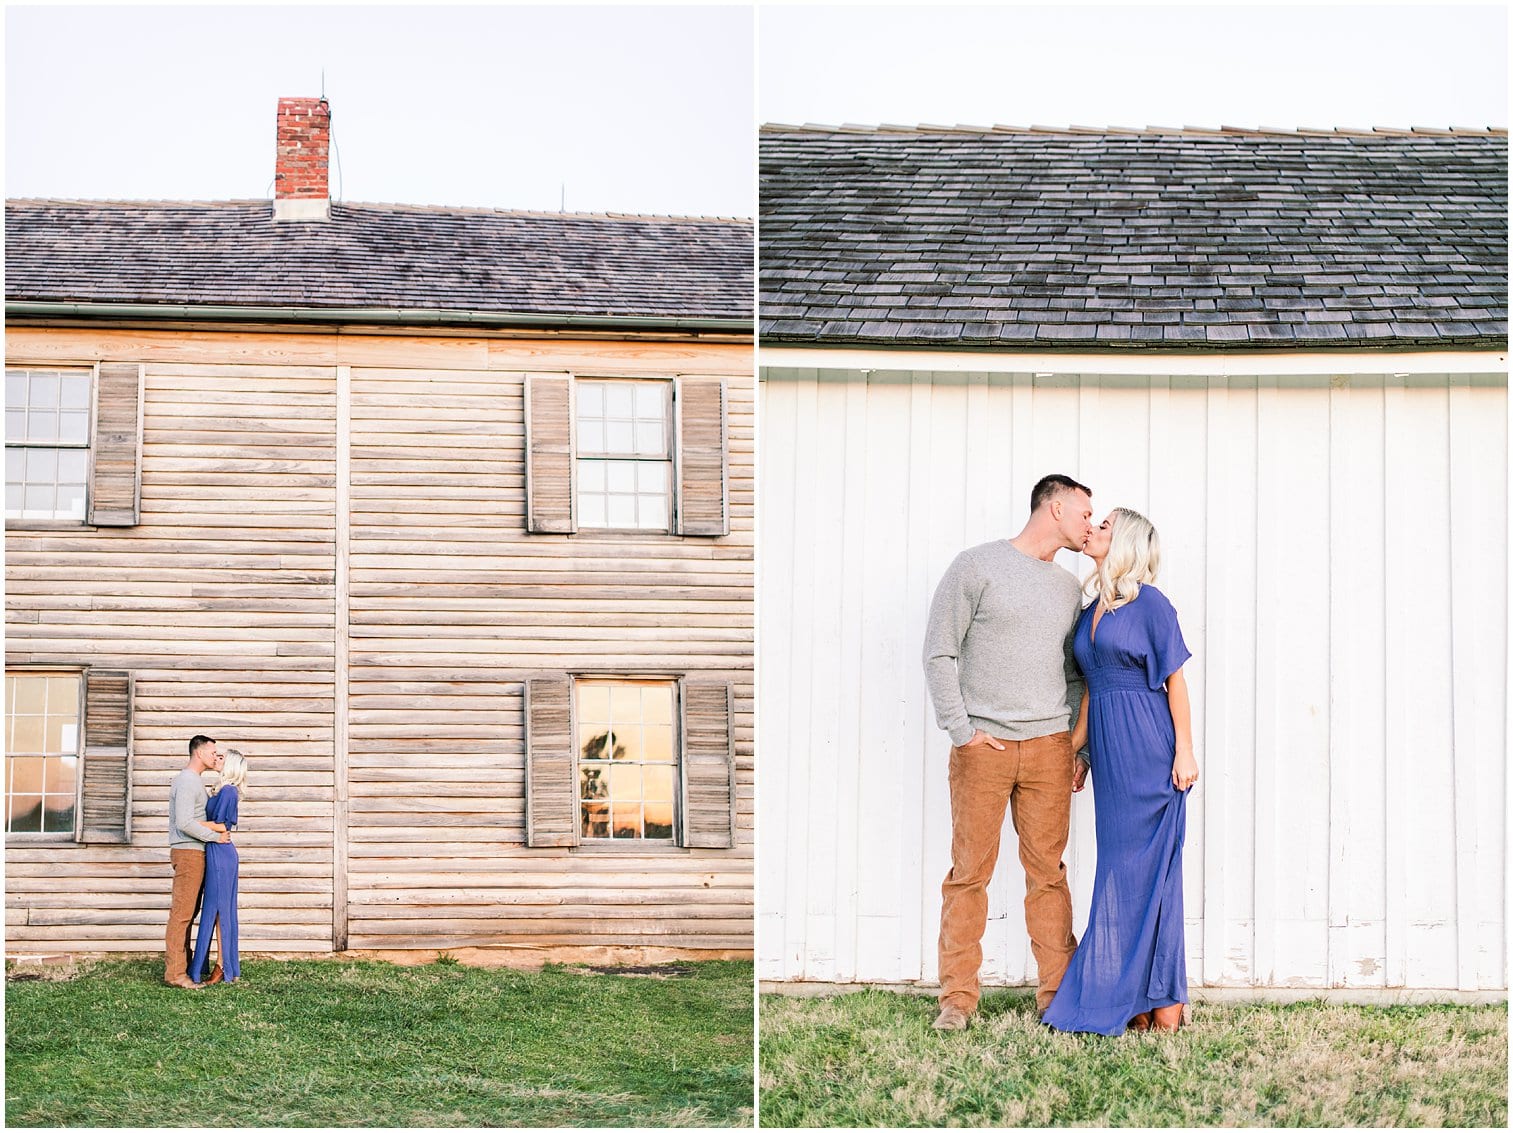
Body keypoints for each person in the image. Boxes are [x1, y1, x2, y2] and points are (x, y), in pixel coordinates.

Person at [923, 474, 1094, 1030]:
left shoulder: (1069, 588)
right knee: (969, 873)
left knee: (1048, 875)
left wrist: (1075, 748)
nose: (1089, 525)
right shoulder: (976, 567)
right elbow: (939, 653)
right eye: (1085, 513)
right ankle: (957, 1000)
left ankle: (1056, 998)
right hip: (984, 748)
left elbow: (1075, 674)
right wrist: (962, 731)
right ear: (1057, 505)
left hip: (1048, 749)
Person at [1042, 507, 1197, 1035]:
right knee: (1119, 874)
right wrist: (1076, 753)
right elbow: (1092, 691)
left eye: (1105, 525)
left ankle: (1166, 1005)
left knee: (1155, 877)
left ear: (1126, 540)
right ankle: (1132, 1000)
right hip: (1111, 757)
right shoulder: (1091, 611)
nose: (1094, 530)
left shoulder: (1151, 604)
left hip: (1150, 752)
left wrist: (1185, 752)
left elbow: (1175, 683)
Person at [165, 734, 230, 989]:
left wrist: (223, 771)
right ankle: (175, 974)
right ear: (199, 753)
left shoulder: (195, 782)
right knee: (181, 915)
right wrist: (215, 836)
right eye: (213, 753)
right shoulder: (186, 781)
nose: (216, 757)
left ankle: (187, 967)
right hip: (188, 852)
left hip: (196, 852)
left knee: (189, 913)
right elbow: (184, 822)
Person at [190, 749, 247, 985]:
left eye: (222, 757)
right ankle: (213, 965)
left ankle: (222, 966)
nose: (217, 758)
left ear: (231, 764)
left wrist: (193, 823)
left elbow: (223, 825)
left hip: (221, 855)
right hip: (215, 851)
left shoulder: (229, 791)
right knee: (213, 910)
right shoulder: (220, 789)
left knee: (219, 911)